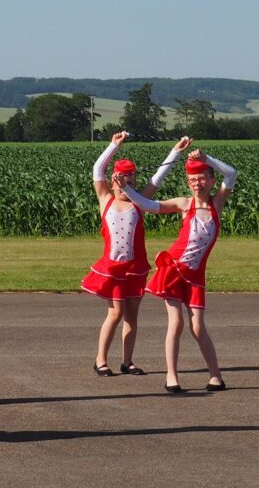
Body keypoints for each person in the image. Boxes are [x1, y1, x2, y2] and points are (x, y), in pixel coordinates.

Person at [121, 140, 236, 394]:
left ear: (211, 180)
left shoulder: (217, 204)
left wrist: (207, 158)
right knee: (176, 323)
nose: (197, 183)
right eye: (192, 180)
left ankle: (216, 377)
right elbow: (150, 206)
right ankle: (171, 377)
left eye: (202, 178)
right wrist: (126, 189)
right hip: (173, 269)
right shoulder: (185, 204)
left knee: (198, 327)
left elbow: (231, 174)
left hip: (196, 276)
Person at [79, 131, 183, 377]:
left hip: (135, 268)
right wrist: (113, 145)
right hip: (113, 268)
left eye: (132, 181)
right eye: (124, 180)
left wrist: (176, 151)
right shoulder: (105, 199)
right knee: (115, 313)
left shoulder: (139, 201)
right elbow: (97, 169)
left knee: (132, 317)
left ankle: (127, 361)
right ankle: (101, 360)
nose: (128, 185)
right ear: (114, 180)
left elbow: (158, 177)